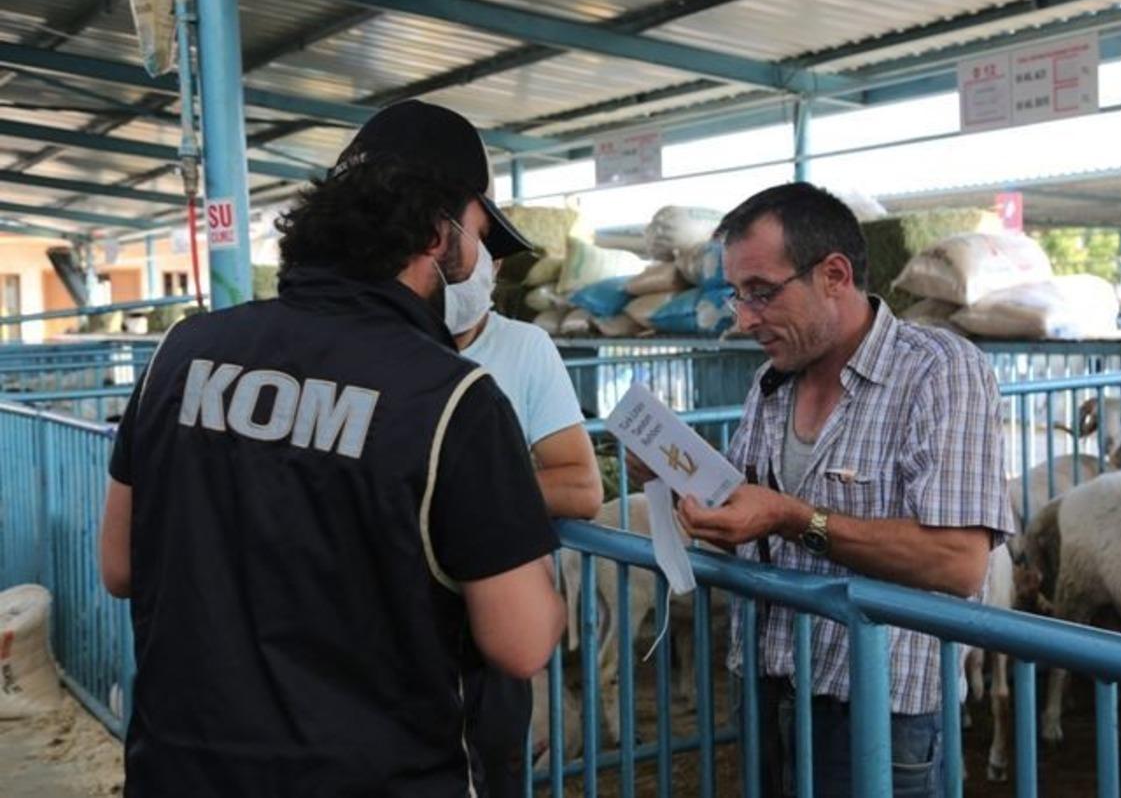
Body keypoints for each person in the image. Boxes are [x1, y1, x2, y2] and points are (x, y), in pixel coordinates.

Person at [98, 100, 565, 798]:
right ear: (441, 236)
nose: (484, 263)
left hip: (180, 770)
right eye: (479, 233)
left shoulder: (182, 353)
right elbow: (522, 641)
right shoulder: (454, 400)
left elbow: (119, 565)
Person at [662, 182, 1014, 796]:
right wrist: (686, 487)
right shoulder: (771, 383)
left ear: (833, 274)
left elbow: (958, 563)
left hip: (878, 709)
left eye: (762, 293)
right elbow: (752, 532)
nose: (745, 319)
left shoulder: (939, 371)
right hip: (766, 687)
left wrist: (794, 518)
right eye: (737, 296)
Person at [444, 254, 603, 795]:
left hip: (491, 619)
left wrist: (449, 495)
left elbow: (582, 488)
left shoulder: (524, 348)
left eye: (474, 249)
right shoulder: (384, 347)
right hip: (400, 627)